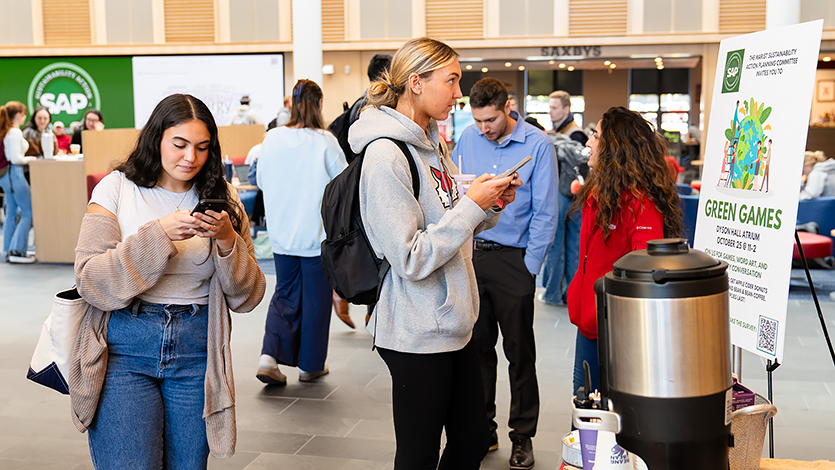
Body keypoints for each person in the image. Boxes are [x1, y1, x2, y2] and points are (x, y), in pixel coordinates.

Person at [348, 37, 520, 470]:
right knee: (419, 454)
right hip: (415, 329)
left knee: (474, 439)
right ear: (417, 82)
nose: (459, 92)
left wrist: (489, 204)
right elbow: (410, 257)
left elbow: (449, 227)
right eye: (452, 80)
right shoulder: (385, 155)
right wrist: (471, 205)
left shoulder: (433, 146)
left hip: (451, 323)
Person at [70, 93, 266, 468]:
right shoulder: (116, 188)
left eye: (202, 147)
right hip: (124, 348)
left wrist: (227, 239)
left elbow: (249, 296)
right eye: (179, 144)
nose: (190, 157)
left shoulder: (222, 198)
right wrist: (156, 235)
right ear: (156, 137)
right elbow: (89, 279)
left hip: (196, 351)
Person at [454, 77, 558, 470]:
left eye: (492, 119)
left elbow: (546, 213)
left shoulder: (538, 145)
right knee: (476, 351)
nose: (485, 129)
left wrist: (529, 267)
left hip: (516, 261)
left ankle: (522, 437)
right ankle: (484, 430)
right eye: (479, 121)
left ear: (508, 106)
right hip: (473, 258)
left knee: (519, 354)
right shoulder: (467, 139)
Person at [567, 107, 683, 397]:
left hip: (618, 331)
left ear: (615, 147)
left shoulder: (640, 203)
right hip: (590, 322)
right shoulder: (600, 193)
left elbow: (647, 273)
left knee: (608, 416)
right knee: (585, 406)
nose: (589, 143)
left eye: (595, 136)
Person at [256, 79, 348, 385]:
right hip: (316, 237)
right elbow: (343, 184)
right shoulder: (325, 140)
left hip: (282, 235)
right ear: (319, 105)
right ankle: (310, 365)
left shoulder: (272, 138)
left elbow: (261, 181)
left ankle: (269, 357)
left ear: (291, 105)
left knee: (284, 294)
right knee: (316, 302)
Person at [0, 101, 36, 263]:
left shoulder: (7, 132)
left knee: (11, 212)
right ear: (19, 114)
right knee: (28, 212)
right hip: (15, 173)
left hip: (7, 175)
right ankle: (17, 251)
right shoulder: (14, 133)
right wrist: (31, 159)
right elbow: (16, 158)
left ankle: (8, 249)